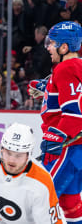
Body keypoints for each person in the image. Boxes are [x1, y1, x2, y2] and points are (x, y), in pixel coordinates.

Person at [36, 21, 82, 224]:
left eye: (52, 42)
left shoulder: (65, 68)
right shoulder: (75, 66)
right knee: (69, 202)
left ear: (64, 47)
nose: (47, 47)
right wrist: (46, 89)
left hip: (67, 148)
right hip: (75, 149)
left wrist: (57, 138)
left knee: (38, 196)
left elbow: (74, 113)